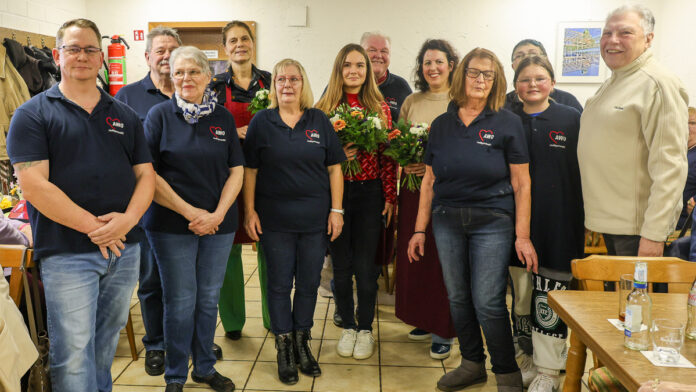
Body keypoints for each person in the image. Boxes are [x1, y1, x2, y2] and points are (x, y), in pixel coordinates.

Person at [6, 18, 156, 392]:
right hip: (67, 253)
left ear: (102, 58)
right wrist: (96, 226)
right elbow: (33, 185)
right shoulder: (33, 114)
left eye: (90, 49)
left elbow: (147, 176)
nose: (82, 56)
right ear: (57, 56)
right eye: (73, 49)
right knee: (72, 354)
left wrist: (128, 220)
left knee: (104, 348)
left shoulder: (124, 115)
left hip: (124, 249)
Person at [407, 47, 537, 392]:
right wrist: (419, 229)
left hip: (493, 220)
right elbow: (429, 181)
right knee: (457, 297)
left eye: (488, 75)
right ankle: (471, 364)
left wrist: (521, 236)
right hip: (446, 219)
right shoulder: (442, 124)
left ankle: (506, 373)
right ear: (461, 75)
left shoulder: (507, 122)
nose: (481, 80)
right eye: (474, 73)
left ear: (495, 82)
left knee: (488, 301)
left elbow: (522, 183)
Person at [116, 26, 225, 376]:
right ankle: (158, 345)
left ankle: (197, 346)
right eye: (160, 51)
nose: (168, 59)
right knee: (152, 282)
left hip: (203, 217)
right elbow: (136, 163)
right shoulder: (128, 97)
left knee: (196, 293)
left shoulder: (213, 109)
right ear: (148, 56)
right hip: (153, 211)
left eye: (173, 52)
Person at [143, 46, 243, 392]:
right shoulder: (158, 116)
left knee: (208, 298)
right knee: (181, 299)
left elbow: (237, 170)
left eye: (193, 72)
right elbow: (148, 175)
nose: (186, 79)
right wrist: (191, 213)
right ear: (171, 76)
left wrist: (216, 214)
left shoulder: (223, 118)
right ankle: (175, 375)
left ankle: (203, 367)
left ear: (207, 76)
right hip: (171, 225)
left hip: (218, 226)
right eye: (179, 72)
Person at [243, 58, 345, 384]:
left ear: (303, 84)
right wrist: (249, 211)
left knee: (309, 283)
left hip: (315, 221)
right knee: (278, 284)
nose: (287, 85)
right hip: (274, 221)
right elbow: (250, 171)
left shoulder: (319, 120)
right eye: (281, 79)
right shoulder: (262, 121)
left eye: (294, 79)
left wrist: (337, 211)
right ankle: (283, 345)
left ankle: (303, 342)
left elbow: (334, 169)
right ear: (273, 85)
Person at [578, 5, 689, 258]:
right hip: (608, 226)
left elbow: (670, 167)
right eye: (607, 33)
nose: (612, 40)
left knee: (633, 299)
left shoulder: (657, 84)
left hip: (637, 233)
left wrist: (654, 234)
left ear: (648, 39)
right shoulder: (616, 81)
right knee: (612, 299)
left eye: (625, 33)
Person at [505, 39, 583, 367]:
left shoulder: (572, 119)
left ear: (552, 82)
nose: (533, 84)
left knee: (551, 294)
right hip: (515, 224)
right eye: (525, 79)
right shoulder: (505, 121)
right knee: (522, 296)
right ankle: (526, 358)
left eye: (540, 78)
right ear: (515, 86)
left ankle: (548, 369)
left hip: (560, 223)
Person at [315, 43, 396, 361]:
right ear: (339, 69)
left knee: (366, 266)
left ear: (367, 71)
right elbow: (312, 156)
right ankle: (347, 324)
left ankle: (365, 329)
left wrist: (390, 196)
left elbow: (388, 155)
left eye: (360, 65)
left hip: (369, 193)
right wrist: (335, 155)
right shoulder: (323, 108)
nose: (354, 70)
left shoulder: (379, 108)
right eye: (347, 65)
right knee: (341, 265)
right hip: (335, 197)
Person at [395, 38, 458, 359]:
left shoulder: (459, 101)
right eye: (427, 62)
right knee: (415, 257)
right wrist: (406, 162)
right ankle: (423, 316)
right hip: (412, 190)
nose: (433, 68)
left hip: (446, 192)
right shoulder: (412, 100)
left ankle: (444, 327)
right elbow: (397, 141)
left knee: (442, 259)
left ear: (451, 65)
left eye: (439, 62)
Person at [210, 20, 271, 339]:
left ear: (252, 43)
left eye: (244, 39)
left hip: (269, 176)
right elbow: (203, 132)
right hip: (227, 177)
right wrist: (235, 133)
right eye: (232, 40)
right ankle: (232, 322)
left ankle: (274, 318)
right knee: (228, 250)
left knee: (269, 246)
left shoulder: (271, 82)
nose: (239, 45)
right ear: (225, 47)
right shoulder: (214, 86)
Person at [504, 39, 582, 113]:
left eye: (533, 54)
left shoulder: (567, 100)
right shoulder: (502, 104)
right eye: (519, 56)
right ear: (513, 66)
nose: (526, 58)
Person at [361, 32, 412, 121]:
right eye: (372, 50)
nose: (378, 55)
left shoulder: (401, 86)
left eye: (384, 51)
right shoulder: (345, 84)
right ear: (360, 53)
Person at [677, 106, 696, 229]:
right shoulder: (672, 151)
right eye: (683, 122)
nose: (687, 126)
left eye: (692, 123)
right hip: (665, 220)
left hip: (685, 224)